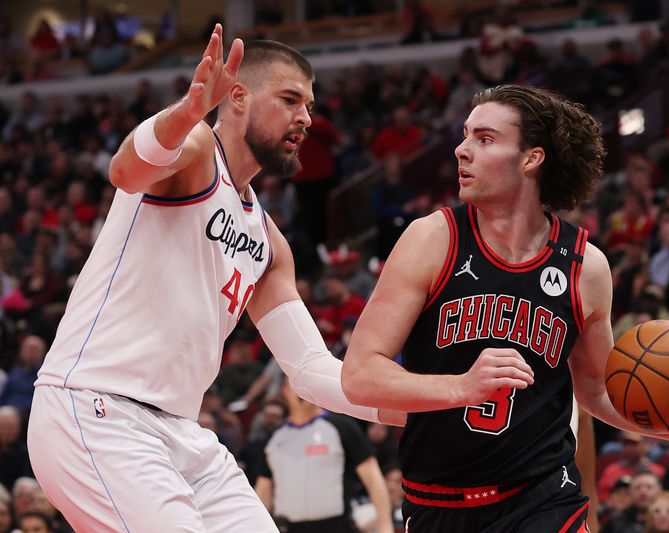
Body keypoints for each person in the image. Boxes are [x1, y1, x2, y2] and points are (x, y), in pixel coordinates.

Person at [26, 26, 402, 533]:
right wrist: (186, 113)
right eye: (290, 99)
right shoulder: (197, 148)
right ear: (238, 96)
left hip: (182, 433)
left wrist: (417, 407)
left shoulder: (269, 242)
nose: (306, 118)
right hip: (98, 409)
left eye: (310, 106)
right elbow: (125, 172)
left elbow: (312, 371)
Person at [341, 84, 669, 532]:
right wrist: (462, 387)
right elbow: (359, 375)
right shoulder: (432, 239)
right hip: (437, 503)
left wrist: (658, 424)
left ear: (531, 159)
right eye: (465, 136)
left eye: (485, 139)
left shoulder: (585, 266)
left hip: (544, 498)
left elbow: (595, 390)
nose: (462, 150)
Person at [253, 381, 393, 533]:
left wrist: (385, 525)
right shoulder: (274, 439)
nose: (301, 389)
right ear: (285, 390)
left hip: (336, 527)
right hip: (287, 527)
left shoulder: (342, 427)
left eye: (306, 382)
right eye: (294, 382)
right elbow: (263, 491)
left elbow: (373, 479)